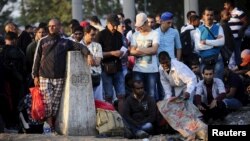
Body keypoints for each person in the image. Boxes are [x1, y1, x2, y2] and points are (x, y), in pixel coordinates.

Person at [32, 18, 94, 132]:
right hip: (44, 76)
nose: (51, 27)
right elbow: (36, 59)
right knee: (47, 101)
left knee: (55, 103)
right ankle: (49, 125)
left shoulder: (65, 41)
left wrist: (88, 54)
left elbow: (80, 46)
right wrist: (35, 75)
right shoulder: (43, 41)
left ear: (59, 27)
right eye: (50, 26)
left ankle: (51, 125)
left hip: (59, 77)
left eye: (54, 26)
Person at [95, 14, 125, 112]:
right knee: (108, 96)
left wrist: (123, 53)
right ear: (108, 24)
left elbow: (124, 49)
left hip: (118, 67)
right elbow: (97, 53)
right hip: (106, 68)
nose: (115, 27)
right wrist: (112, 53)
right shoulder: (100, 35)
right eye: (113, 25)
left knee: (121, 95)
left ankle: (122, 119)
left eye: (117, 25)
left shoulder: (119, 35)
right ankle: (111, 118)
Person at [130, 12, 159, 100]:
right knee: (137, 95)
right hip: (138, 69)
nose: (139, 28)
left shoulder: (155, 34)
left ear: (146, 23)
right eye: (137, 26)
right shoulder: (135, 35)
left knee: (151, 95)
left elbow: (154, 50)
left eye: (141, 25)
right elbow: (132, 51)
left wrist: (138, 50)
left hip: (152, 70)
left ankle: (151, 113)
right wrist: (148, 51)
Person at [192, 7, 225, 80]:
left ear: (213, 16)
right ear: (203, 16)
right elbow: (198, 47)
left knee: (218, 83)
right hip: (204, 60)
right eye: (207, 15)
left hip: (217, 59)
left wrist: (206, 42)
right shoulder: (198, 30)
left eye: (211, 15)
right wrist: (215, 44)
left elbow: (222, 42)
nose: (209, 17)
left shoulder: (219, 27)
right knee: (204, 83)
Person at [81, 25, 104, 101]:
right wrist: (89, 55)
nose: (94, 37)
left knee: (98, 101)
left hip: (96, 77)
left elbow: (97, 62)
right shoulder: (77, 45)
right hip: (82, 78)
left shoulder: (97, 46)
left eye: (95, 35)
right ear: (85, 33)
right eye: (92, 35)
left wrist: (89, 55)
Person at [224, 0, 248, 67]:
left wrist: (241, 30)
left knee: (237, 54)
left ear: (229, 4)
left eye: (225, 5)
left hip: (237, 37)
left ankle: (239, 68)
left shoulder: (239, 12)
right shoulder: (226, 13)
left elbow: (246, 23)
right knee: (230, 54)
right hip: (228, 39)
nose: (224, 6)